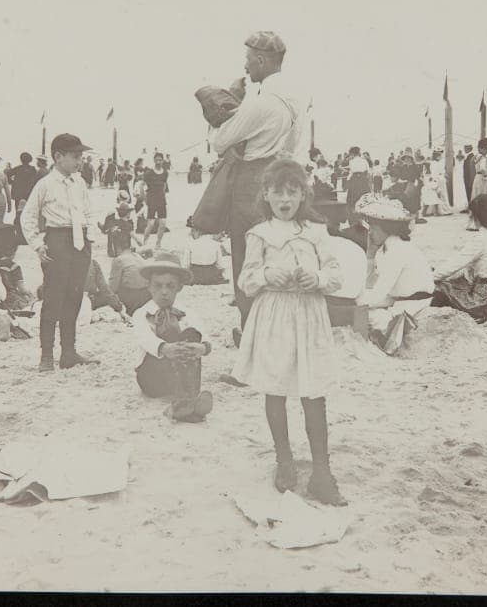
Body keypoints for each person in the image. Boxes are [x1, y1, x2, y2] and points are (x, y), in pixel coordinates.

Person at [231, 159, 346, 506]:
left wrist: (319, 279)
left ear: (302, 195)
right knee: (276, 387)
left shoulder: (316, 231)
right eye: (277, 192)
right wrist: (267, 275)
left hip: (309, 314)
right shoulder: (259, 234)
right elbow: (245, 280)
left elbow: (337, 272)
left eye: (292, 192)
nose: (285, 199)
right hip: (275, 316)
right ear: (265, 195)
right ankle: (284, 460)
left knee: (313, 392)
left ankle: (322, 472)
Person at [206, 31, 307, 347]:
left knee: (247, 264)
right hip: (278, 183)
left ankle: (253, 342)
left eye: (249, 59)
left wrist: (223, 113)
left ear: (262, 60)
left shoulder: (260, 103)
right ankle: (273, 338)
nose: (245, 66)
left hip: (249, 185)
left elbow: (219, 141)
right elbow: (290, 148)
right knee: (273, 259)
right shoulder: (293, 103)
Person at [20, 133, 99, 371]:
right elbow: (28, 217)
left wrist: (90, 238)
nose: (80, 161)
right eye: (76, 156)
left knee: (74, 296)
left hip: (80, 242)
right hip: (58, 240)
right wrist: (37, 244)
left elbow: (88, 211)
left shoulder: (80, 182)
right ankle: (46, 355)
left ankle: (68, 352)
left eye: (82, 156)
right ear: (58, 157)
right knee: (54, 298)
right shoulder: (45, 184)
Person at [133, 251, 215, 423]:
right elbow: (145, 339)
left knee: (192, 334)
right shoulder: (142, 314)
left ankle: (185, 406)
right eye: (158, 285)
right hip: (153, 375)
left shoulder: (187, 312)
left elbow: (205, 337)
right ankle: (186, 407)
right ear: (149, 286)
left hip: (180, 375)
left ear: (179, 287)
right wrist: (164, 348)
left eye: (170, 286)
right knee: (169, 341)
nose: (164, 292)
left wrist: (202, 347)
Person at [353, 194, 434, 355]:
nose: (370, 232)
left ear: (386, 228)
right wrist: (369, 255)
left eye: (374, 227)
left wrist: (355, 301)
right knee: (359, 310)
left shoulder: (398, 251)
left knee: (364, 317)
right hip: (396, 301)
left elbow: (378, 294)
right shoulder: (384, 251)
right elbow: (371, 285)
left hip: (414, 305)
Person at [432, 194, 487, 324]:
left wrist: (431, 277)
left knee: (439, 287)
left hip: (485, 295)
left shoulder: (480, 239)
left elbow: (454, 265)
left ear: (475, 216)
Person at [109, 245, 151, 315]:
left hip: (132, 299)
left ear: (116, 247)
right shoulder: (138, 256)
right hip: (147, 297)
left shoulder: (119, 260)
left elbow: (112, 288)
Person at [9, 152, 40, 243]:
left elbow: (7, 175)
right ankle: (26, 237)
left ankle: (19, 236)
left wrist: (13, 182)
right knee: (27, 215)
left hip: (18, 195)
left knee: (18, 215)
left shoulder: (17, 169)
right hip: (28, 195)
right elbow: (36, 181)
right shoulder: (32, 169)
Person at [140, 156, 170, 248]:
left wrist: (163, 195)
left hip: (161, 201)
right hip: (152, 200)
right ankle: (144, 243)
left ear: (162, 161)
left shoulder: (165, 173)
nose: (158, 162)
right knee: (151, 224)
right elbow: (141, 186)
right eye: (156, 160)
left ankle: (158, 243)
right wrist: (145, 199)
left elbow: (164, 185)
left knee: (163, 223)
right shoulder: (149, 173)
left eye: (160, 160)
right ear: (154, 161)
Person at [343, 146, 372, 223]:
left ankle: (353, 220)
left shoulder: (351, 162)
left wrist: (347, 183)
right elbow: (368, 173)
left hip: (355, 181)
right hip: (363, 181)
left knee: (352, 200)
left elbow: (351, 174)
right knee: (364, 198)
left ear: (352, 154)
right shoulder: (364, 161)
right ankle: (366, 218)